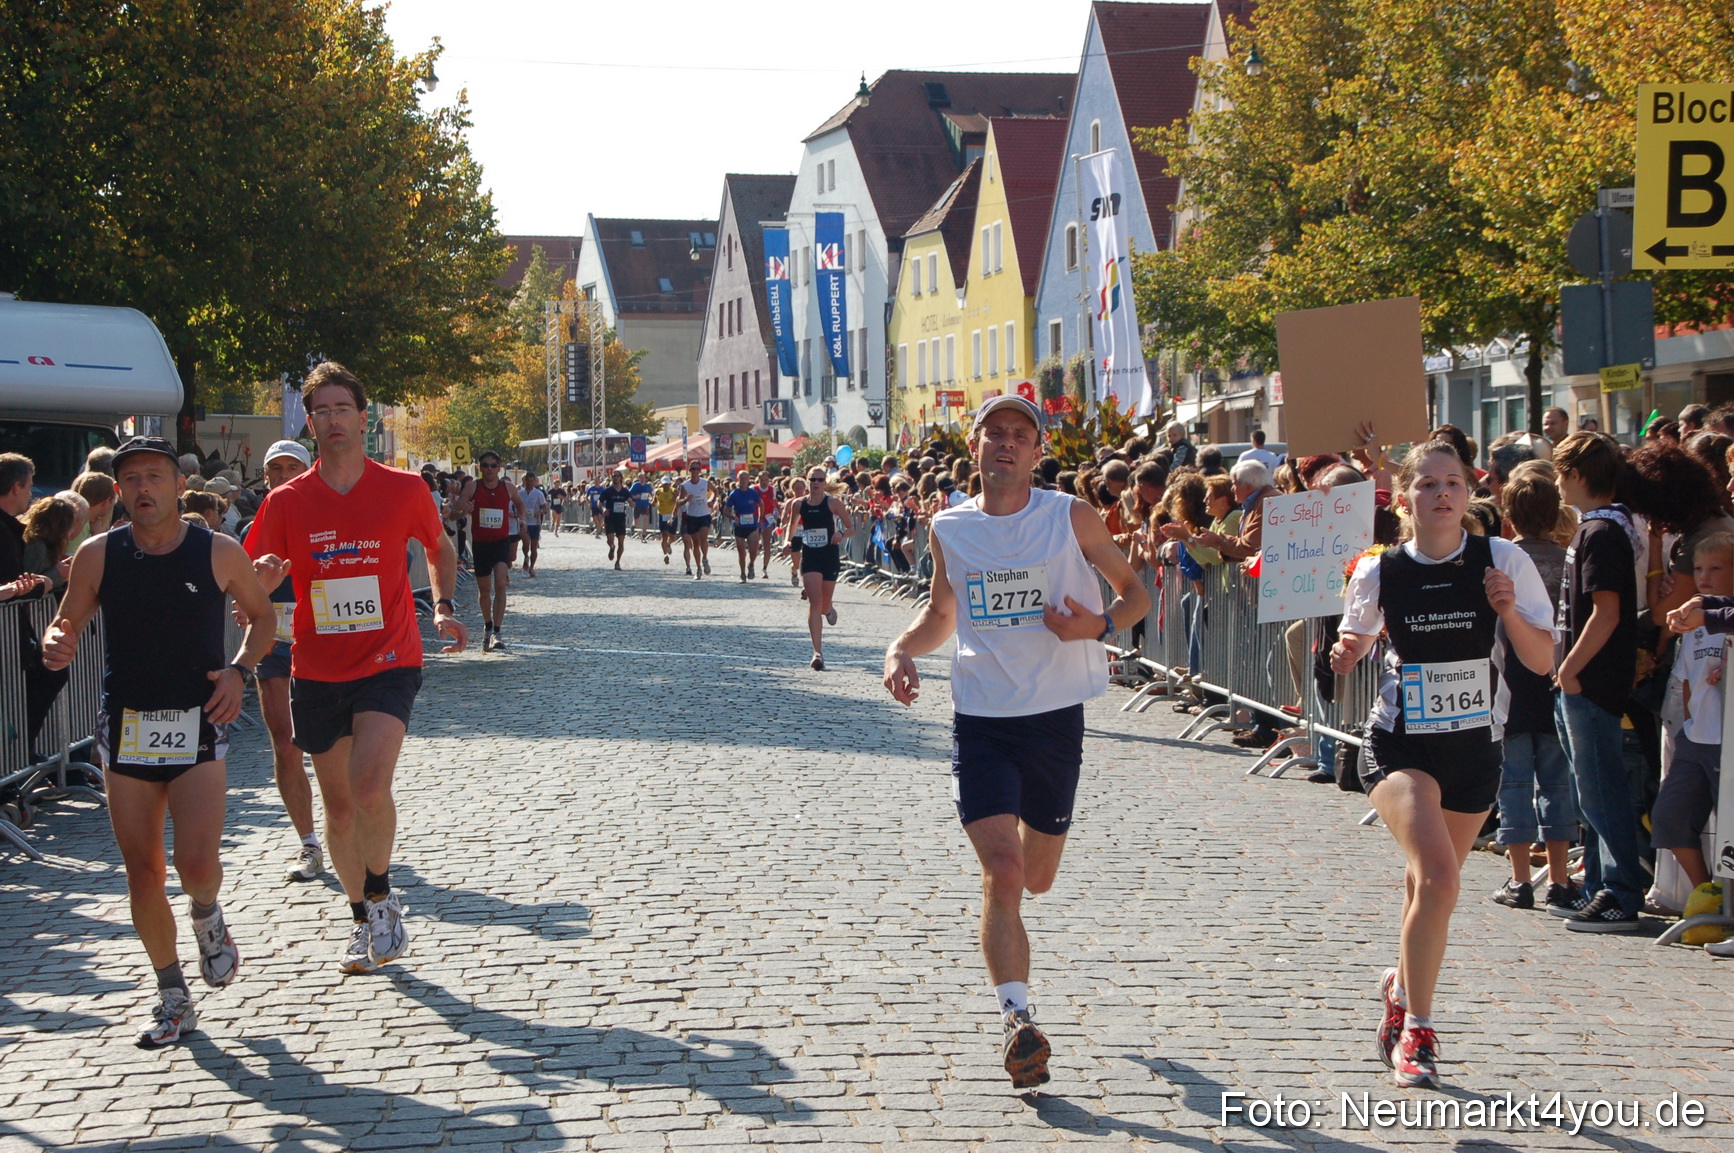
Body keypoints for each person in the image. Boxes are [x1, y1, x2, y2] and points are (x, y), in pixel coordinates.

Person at [883, 395, 1150, 1089]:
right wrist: (900, 648)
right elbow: (943, 612)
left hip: (1056, 715)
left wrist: (1092, 626)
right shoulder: (950, 526)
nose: (1006, 444)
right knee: (1003, 874)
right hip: (981, 719)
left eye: (1020, 435)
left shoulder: (1069, 516)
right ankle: (1017, 1020)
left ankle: (1018, 993)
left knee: (1037, 876)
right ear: (975, 446)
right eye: (994, 433)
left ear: (1036, 452)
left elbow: (1135, 593)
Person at [1329, 438, 1555, 1089]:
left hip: (1475, 752)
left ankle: (1400, 982)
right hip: (1402, 746)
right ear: (1405, 497)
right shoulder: (1381, 570)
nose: (1441, 494)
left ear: (1470, 491)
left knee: (1425, 887)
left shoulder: (1500, 558)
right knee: (1439, 880)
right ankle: (1417, 1033)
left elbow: (1542, 662)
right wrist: (1345, 653)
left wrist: (1509, 609)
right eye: (1426, 484)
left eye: (1452, 482)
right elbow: (1355, 637)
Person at [41, 436, 276, 1047]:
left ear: (176, 485)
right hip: (128, 728)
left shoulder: (218, 551)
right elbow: (67, 620)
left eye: (155, 477)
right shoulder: (99, 554)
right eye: (133, 480)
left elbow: (264, 618)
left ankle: (206, 913)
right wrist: (55, 640)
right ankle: (172, 992)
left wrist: (239, 670)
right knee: (142, 871)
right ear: (118, 492)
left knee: (195, 866)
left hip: (199, 721)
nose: (144, 489)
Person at [246, 362, 467, 976]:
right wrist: (258, 585)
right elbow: (253, 569)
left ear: (363, 418)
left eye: (343, 408)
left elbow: (437, 546)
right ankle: (362, 914)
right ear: (310, 423)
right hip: (318, 667)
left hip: (390, 659)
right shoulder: (287, 500)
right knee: (338, 810)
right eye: (321, 411)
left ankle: (382, 894)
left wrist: (442, 606)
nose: (333, 420)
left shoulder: (402, 489)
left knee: (370, 787)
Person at [1548, 432, 1647, 933]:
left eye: (1563, 473)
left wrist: (1569, 669)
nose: (1559, 483)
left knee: (1601, 791)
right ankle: (1600, 885)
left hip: (1591, 682)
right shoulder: (1600, 528)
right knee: (1591, 791)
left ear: (1580, 476)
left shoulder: (1603, 533)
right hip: (1583, 679)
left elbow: (1605, 613)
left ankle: (1622, 890)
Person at [1488, 472, 1577, 911]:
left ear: (1509, 516)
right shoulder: (1568, 560)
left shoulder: (1503, 562)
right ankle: (1560, 880)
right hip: (1558, 678)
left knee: (1515, 783)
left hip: (1510, 682)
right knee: (1557, 784)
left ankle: (1520, 878)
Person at [241, 440, 325, 884]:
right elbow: (237, 579)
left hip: (328, 638)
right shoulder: (254, 525)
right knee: (285, 743)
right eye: (275, 468)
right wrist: (245, 602)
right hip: (274, 640)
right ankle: (310, 843)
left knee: (333, 744)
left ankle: (348, 825)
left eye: (293, 467)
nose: (283, 475)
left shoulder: (326, 515)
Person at [1653, 534, 1733, 898]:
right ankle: (1708, 896)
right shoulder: (1696, 618)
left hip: (1726, 740)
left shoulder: (1717, 616)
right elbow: (1686, 681)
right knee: (1669, 817)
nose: (1705, 576)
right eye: (1699, 568)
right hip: (1696, 737)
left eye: (1716, 568)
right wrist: (1688, 725)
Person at [458, 450, 526, 652]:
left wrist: (521, 519)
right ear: (480, 468)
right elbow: (456, 509)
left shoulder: (508, 487)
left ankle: (497, 631)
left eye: (493, 465)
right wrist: (464, 508)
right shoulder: (473, 486)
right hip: (481, 544)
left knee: (501, 585)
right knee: (485, 590)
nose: (489, 469)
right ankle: (487, 626)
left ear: (499, 467)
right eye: (485, 465)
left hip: (501, 542)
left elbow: (520, 504)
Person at [789, 468, 853, 669]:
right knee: (814, 602)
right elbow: (792, 527)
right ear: (807, 482)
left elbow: (851, 527)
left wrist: (841, 534)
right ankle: (817, 653)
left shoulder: (833, 503)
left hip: (829, 556)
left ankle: (830, 608)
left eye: (819, 479)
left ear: (825, 482)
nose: (816, 483)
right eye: (812, 479)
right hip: (810, 557)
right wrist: (786, 542)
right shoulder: (798, 504)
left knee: (823, 605)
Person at [724, 471, 763, 582]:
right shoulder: (734, 494)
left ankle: (751, 564)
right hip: (739, 525)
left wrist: (760, 518)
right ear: (738, 480)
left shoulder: (753, 493)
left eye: (746, 478)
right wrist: (733, 518)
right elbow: (726, 511)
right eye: (741, 478)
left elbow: (761, 504)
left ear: (748, 480)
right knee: (741, 552)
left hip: (752, 525)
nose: (744, 481)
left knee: (754, 550)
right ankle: (742, 573)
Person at [679, 461, 714, 579]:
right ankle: (698, 568)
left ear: (700, 471)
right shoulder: (685, 485)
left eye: (696, 469)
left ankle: (705, 558)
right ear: (689, 470)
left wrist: (712, 500)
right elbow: (679, 501)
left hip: (704, 514)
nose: (694, 471)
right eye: (692, 469)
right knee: (695, 544)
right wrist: (685, 500)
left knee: (703, 538)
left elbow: (716, 492)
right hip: (692, 516)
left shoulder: (705, 483)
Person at [599, 469, 633, 571]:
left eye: (617, 476)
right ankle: (612, 547)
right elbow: (599, 502)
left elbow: (630, 500)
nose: (615, 477)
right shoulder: (608, 491)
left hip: (621, 518)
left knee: (621, 542)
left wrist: (632, 503)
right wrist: (603, 509)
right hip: (610, 518)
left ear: (621, 478)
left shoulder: (624, 491)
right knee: (610, 540)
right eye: (613, 476)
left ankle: (617, 562)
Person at [519, 472, 549, 578]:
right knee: (526, 542)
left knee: (534, 547)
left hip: (535, 523)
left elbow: (545, 508)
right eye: (529, 481)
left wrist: (540, 512)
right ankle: (526, 556)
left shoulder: (538, 494)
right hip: (524, 522)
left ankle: (532, 567)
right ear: (525, 480)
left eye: (533, 481)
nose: (530, 483)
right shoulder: (520, 493)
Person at [755, 470, 780, 578]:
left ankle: (765, 568)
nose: (764, 482)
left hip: (767, 518)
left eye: (766, 480)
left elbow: (774, 502)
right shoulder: (754, 489)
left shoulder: (772, 489)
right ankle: (752, 563)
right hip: (756, 518)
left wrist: (777, 511)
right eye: (762, 480)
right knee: (754, 544)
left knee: (767, 544)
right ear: (758, 480)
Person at [654, 476, 680, 565]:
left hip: (672, 515)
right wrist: (651, 502)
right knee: (664, 535)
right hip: (662, 515)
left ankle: (668, 544)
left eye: (667, 484)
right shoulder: (658, 492)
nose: (666, 486)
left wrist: (676, 499)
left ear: (670, 484)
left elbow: (680, 499)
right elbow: (654, 502)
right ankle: (665, 555)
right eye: (664, 484)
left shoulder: (674, 491)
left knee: (672, 537)